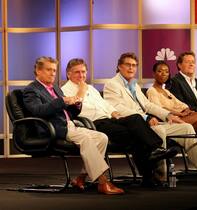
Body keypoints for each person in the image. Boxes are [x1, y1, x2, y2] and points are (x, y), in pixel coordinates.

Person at [103, 52, 197, 181]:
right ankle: (162, 175)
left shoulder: (134, 85)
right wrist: (145, 118)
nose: (131, 68)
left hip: (148, 122)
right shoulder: (112, 84)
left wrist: (168, 115)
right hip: (134, 125)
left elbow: (148, 105)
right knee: (160, 130)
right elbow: (118, 108)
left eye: (134, 65)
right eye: (128, 65)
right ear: (119, 66)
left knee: (186, 127)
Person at [61, 58, 178, 187]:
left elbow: (104, 103)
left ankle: (155, 149)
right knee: (136, 136)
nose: (81, 75)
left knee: (136, 118)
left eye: (83, 72)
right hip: (93, 123)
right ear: (68, 74)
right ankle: (148, 174)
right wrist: (81, 90)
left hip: (109, 119)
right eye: (77, 72)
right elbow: (75, 108)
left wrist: (114, 112)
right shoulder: (65, 90)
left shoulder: (91, 88)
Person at [23, 56, 124, 195]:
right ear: (38, 71)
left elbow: (69, 113)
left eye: (54, 70)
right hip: (52, 128)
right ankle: (103, 182)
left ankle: (81, 178)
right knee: (86, 139)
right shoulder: (31, 90)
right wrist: (62, 101)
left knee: (101, 138)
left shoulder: (56, 88)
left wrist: (76, 105)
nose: (53, 73)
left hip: (68, 125)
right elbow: (38, 111)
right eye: (49, 70)